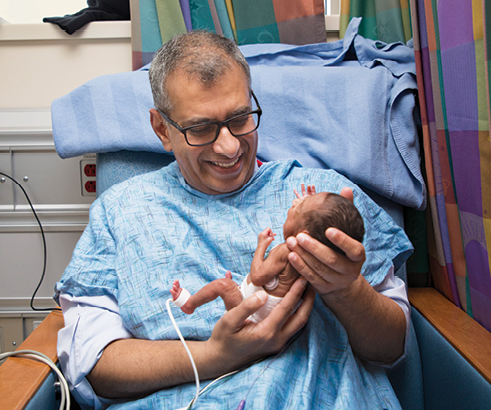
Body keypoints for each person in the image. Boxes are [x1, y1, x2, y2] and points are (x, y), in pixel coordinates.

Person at [55, 30, 413, 410]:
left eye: (240, 119)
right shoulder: (120, 212)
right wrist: (215, 355)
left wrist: (346, 289)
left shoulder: (323, 198)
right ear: (162, 130)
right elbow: (93, 363)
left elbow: (393, 349)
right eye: (200, 129)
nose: (229, 147)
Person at [170, 188, 365, 323]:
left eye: (294, 209)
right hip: (274, 316)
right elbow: (314, 228)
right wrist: (311, 213)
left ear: (305, 237)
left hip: (251, 318)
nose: (293, 203)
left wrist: (261, 246)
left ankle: (189, 304)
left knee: (223, 286)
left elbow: (258, 275)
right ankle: (240, 289)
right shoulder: (318, 263)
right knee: (235, 285)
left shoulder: (286, 251)